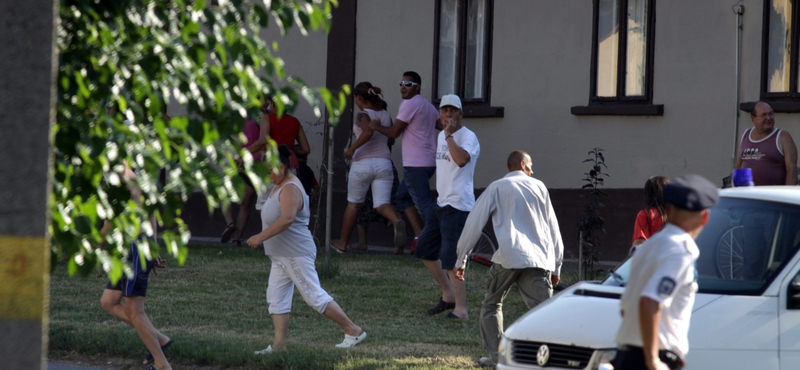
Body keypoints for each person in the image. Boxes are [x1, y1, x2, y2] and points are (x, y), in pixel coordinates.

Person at [245, 145, 366, 353]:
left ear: (282, 167)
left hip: (295, 253)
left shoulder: (290, 187)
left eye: (269, 170)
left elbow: (288, 218)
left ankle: (353, 330)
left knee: (314, 296)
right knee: (276, 298)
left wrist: (260, 237)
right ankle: (279, 346)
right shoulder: (279, 183)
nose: (267, 175)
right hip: (282, 256)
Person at [454, 151, 563, 368]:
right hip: (538, 262)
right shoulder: (540, 187)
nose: (533, 171)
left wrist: (461, 258)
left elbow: (473, 223)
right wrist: (557, 265)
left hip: (507, 258)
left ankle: (499, 359)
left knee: (491, 305)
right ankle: (546, 361)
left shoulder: (497, 187)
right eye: (531, 166)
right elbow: (553, 229)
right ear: (522, 165)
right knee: (545, 314)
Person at [613, 174, 718, 370]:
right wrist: (653, 360)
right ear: (705, 217)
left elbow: (626, 308)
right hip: (653, 357)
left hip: (626, 355)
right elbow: (650, 301)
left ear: (668, 211)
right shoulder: (680, 251)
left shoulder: (649, 248)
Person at [99, 156, 173, 370]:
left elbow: (110, 221)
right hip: (131, 247)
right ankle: (159, 339)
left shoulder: (121, 180)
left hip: (134, 249)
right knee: (108, 301)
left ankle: (161, 364)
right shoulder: (136, 177)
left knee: (134, 311)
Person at [415, 94, 479, 319]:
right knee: (424, 249)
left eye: (453, 110)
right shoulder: (442, 136)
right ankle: (448, 296)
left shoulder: (467, 137)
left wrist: (450, 136)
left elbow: (461, 161)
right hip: (441, 203)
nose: (448, 114)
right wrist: (447, 135)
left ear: (460, 114)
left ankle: (461, 310)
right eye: (444, 110)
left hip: (458, 206)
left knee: (453, 258)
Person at [331, 82, 406, 254]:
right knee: (382, 204)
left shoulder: (361, 115)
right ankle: (396, 221)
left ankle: (342, 243)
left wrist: (351, 149)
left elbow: (368, 132)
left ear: (358, 97)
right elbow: (391, 140)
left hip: (363, 164)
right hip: (384, 164)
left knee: (353, 205)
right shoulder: (386, 115)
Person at [369, 71, 440, 253]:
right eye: (401, 83)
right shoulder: (428, 106)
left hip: (415, 164)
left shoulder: (409, 104)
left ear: (417, 87)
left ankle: (439, 241)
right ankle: (419, 234)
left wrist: (375, 126)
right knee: (402, 197)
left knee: (424, 205)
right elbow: (442, 125)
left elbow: (394, 133)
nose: (403, 87)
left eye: (408, 84)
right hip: (429, 163)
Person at [220, 97, 272, 246]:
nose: (266, 102)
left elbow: (260, 140)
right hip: (250, 162)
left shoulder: (251, 116)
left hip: (248, 163)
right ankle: (235, 236)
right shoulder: (262, 118)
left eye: (267, 100)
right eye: (263, 99)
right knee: (244, 203)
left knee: (233, 197)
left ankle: (232, 229)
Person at [734, 101, 798, 185]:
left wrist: (787, 194)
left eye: (770, 114)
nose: (768, 118)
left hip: (771, 196)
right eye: (764, 115)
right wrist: (736, 191)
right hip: (747, 195)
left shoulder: (782, 137)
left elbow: (792, 170)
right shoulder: (744, 135)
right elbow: (738, 166)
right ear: (753, 118)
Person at [632, 176, 670, 247]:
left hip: (653, 257)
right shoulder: (677, 214)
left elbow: (639, 244)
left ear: (648, 195)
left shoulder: (645, 215)